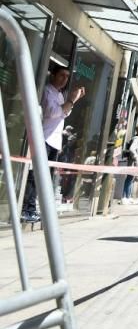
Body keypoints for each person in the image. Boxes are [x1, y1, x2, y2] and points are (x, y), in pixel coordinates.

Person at [22, 65, 86, 223]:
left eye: (67, 76)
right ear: (53, 75)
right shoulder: (47, 91)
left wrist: (73, 100)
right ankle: (26, 209)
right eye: (62, 75)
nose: (64, 79)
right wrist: (71, 100)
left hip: (55, 142)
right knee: (34, 176)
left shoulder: (60, 95)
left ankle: (34, 207)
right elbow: (53, 112)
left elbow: (64, 112)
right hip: (44, 138)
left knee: (45, 178)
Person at [121, 123, 138, 204]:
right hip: (134, 163)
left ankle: (128, 196)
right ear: (137, 130)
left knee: (131, 179)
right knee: (129, 179)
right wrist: (136, 158)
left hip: (136, 163)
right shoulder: (136, 139)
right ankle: (124, 197)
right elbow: (132, 149)